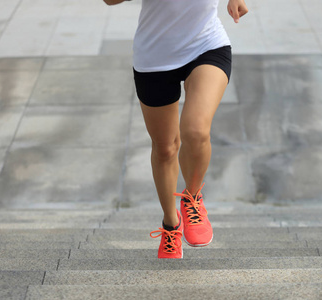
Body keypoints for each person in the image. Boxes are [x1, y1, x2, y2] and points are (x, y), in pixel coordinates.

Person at [103, 0, 248, 259]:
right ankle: (171, 224)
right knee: (165, 148)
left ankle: (192, 198)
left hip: (207, 45)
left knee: (196, 130)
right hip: (155, 57)